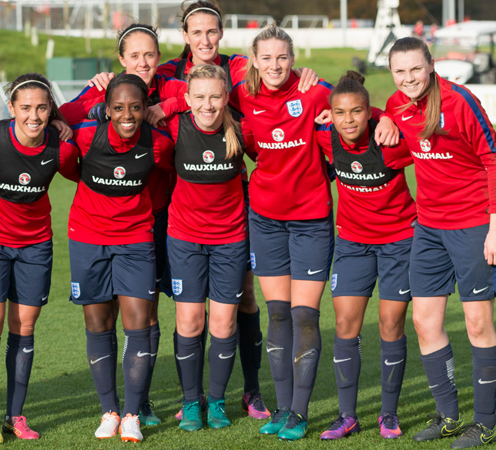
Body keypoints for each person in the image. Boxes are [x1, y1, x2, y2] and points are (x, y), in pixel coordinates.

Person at [230, 24, 398, 440]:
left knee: (305, 316)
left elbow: (354, 105)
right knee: (277, 314)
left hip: (310, 220)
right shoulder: (242, 95)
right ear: (254, 59)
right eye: (266, 58)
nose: (274, 65)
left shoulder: (315, 90)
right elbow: (207, 95)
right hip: (265, 219)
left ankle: (300, 413)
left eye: (282, 57)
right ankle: (281, 409)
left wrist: (387, 117)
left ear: (294, 58)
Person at [156, 0, 319, 421]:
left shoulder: (245, 68)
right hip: (184, 214)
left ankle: (250, 392)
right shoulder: (169, 76)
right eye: (197, 32)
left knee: (244, 302)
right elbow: (155, 106)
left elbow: (275, 100)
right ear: (186, 36)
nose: (206, 39)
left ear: (222, 33)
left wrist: (305, 79)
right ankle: (191, 400)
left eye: (213, 31)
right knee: (189, 314)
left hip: (236, 211)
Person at [61, 22, 187, 425]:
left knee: (149, 314)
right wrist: (98, 95)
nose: (144, 62)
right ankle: (128, 407)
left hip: (164, 214)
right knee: (116, 316)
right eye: (135, 55)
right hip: (117, 219)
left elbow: (212, 97)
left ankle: (137, 405)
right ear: (121, 60)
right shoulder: (102, 93)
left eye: (150, 54)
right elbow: (61, 119)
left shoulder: (171, 84)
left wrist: (164, 108)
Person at [386, 36, 496, 448]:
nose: (408, 78)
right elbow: (397, 140)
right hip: (429, 228)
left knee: (477, 323)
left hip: (474, 226)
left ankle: (485, 422)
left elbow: (494, 159)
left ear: (431, 65)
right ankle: (448, 417)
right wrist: (383, 119)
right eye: (400, 71)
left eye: (415, 69)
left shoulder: (459, 100)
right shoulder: (397, 105)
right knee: (424, 321)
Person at [0, 73, 79, 444]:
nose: (34, 115)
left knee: (24, 327)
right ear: (11, 108)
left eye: (42, 108)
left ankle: (16, 415)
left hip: (35, 246)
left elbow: (85, 172)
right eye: (26, 107)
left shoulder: (61, 149)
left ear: (51, 109)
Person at [315, 71, 416, 440]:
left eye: (357, 112)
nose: (348, 120)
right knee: (345, 325)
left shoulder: (390, 141)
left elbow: (421, 127)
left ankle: (388, 414)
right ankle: (347, 416)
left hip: (399, 241)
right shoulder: (325, 136)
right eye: (340, 113)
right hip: (353, 243)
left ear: (367, 112)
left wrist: (386, 116)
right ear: (331, 114)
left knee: (391, 324)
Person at [165, 64, 249, 431]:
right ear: (187, 100)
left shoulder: (242, 130)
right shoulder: (175, 125)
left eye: (215, 96)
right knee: (189, 320)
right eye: (199, 97)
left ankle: (215, 402)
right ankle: (190, 402)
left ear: (226, 96)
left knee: (223, 321)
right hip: (184, 238)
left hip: (230, 239)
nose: (208, 105)